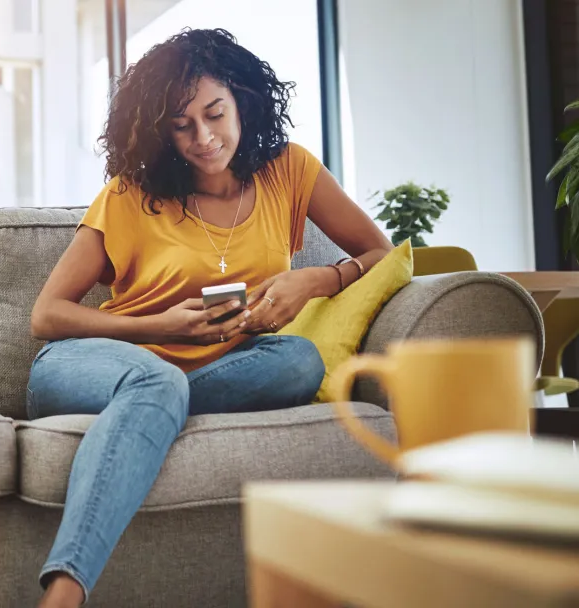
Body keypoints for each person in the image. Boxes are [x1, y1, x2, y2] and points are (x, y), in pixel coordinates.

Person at [27, 28, 393, 607]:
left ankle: (155, 412)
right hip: (95, 367)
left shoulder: (289, 172)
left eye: (214, 113)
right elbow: (46, 316)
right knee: (157, 379)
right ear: (159, 131)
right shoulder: (130, 194)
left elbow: (381, 254)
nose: (203, 137)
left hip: (218, 373)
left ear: (241, 100)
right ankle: (65, 595)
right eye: (181, 124)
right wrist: (159, 327)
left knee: (300, 359)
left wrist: (319, 278)